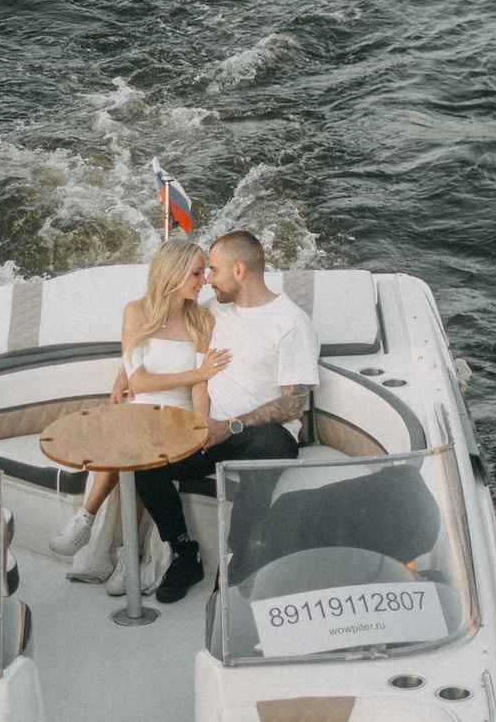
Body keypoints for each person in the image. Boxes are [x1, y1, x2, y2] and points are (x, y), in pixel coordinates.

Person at [134, 230, 318, 606]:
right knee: (144, 459)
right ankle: (186, 554)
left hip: (259, 434)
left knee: (267, 451)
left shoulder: (290, 323)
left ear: (239, 270)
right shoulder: (215, 311)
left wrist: (230, 427)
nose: (207, 280)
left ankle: (234, 565)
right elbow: (161, 328)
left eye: (213, 271)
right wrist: (125, 376)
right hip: (208, 430)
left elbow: (294, 405)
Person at [51, 239, 220, 579]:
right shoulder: (135, 311)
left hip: (178, 418)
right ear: (172, 274)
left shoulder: (201, 321)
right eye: (197, 273)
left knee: (131, 442)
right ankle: (124, 552)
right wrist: (196, 372)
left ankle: (88, 520)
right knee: (130, 435)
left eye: (204, 273)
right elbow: (138, 382)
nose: (203, 280)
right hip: (140, 409)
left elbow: (199, 388)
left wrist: (202, 422)